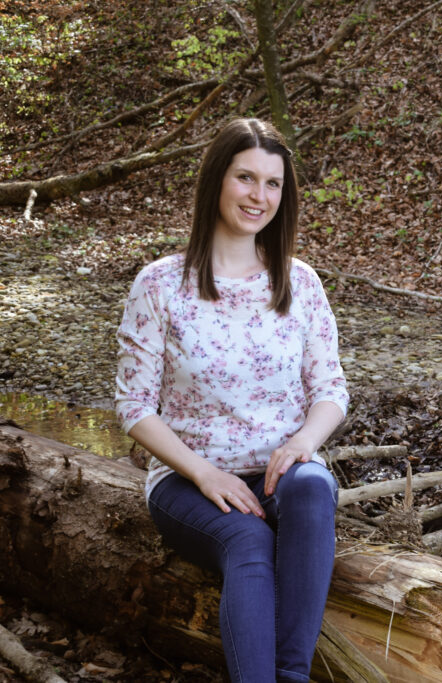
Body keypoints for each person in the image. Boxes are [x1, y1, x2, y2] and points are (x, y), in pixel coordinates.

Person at [115, 118, 349, 683]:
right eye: (246, 177)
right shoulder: (161, 284)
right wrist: (205, 475)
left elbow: (331, 391)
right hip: (187, 482)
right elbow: (134, 407)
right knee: (247, 538)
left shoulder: (299, 283)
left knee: (315, 488)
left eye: (273, 184)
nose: (259, 196)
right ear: (217, 180)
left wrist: (302, 442)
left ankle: (292, 675)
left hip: (280, 470)